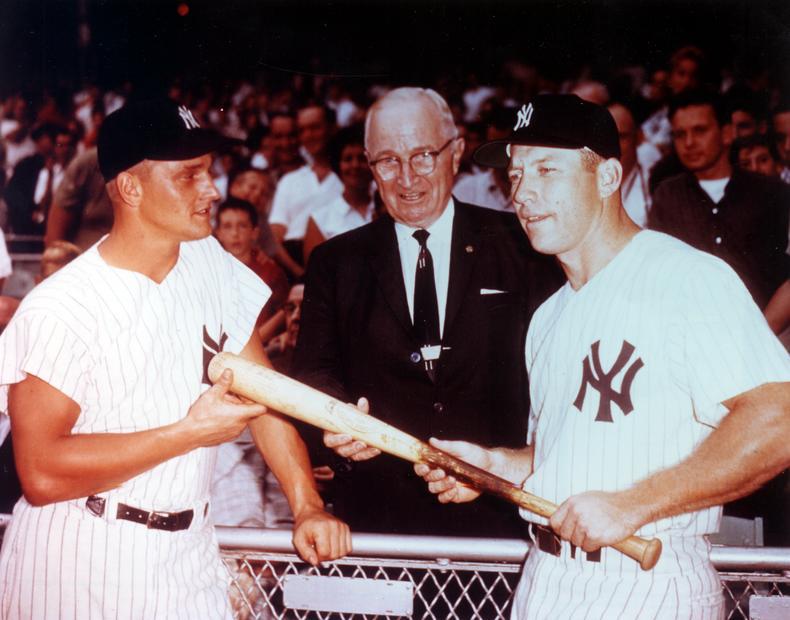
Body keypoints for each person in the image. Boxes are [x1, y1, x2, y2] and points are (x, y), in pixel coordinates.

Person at [415, 94, 790, 618]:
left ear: (609, 177)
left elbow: (778, 418)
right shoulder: (548, 317)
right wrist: (496, 466)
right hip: (543, 578)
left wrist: (633, 504)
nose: (522, 193)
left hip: (646, 577)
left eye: (547, 170)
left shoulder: (685, 278)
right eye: (516, 174)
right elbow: (567, 454)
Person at [0, 98, 350, 620]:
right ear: (130, 188)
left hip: (189, 556)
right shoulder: (61, 306)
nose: (212, 190)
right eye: (189, 175)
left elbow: (260, 390)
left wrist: (307, 505)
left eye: (209, 171)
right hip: (81, 558)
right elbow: (41, 472)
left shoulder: (207, 260)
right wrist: (187, 433)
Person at [294, 87, 561, 537]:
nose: (406, 178)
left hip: (498, 521)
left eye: (422, 156)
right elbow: (313, 374)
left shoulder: (522, 245)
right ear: (369, 165)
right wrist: (333, 422)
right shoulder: (335, 262)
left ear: (455, 154)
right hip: (378, 523)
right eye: (388, 161)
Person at [648, 90, 789, 309]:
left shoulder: (771, 193)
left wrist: (765, 327)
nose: (689, 143)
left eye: (700, 131)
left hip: (766, 322)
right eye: (680, 134)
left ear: (726, 134)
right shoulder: (668, 196)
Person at [268, 103, 342, 258]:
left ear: (332, 128)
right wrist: (298, 271)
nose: (308, 135)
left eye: (315, 127)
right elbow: (275, 237)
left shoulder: (351, 177)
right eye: (302, 130)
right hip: (295, 259)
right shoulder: (289, 181)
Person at [302, 124, 375, 263]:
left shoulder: (388, 210)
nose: (355, 165)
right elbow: (315, 272)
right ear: (337, 165)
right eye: (348, 159)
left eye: (362, 159)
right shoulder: (320, 219)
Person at [214, 197, 289, 324]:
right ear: (218, 233)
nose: (235, 233)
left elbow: (283, 316)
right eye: (227, 226)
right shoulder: (210, 270)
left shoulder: (271, 272)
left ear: (254, 232)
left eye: (242, 226)